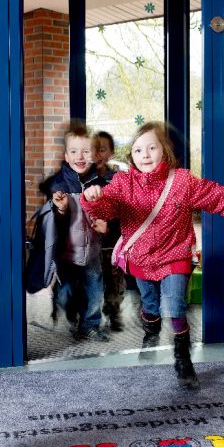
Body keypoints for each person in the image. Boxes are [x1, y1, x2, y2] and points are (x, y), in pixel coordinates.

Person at [82, 121, 224, 389]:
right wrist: (92, 198)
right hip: (141, 258)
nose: (145, 155)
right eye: (138, 150)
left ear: (164, 151)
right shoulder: (123, 183)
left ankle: (182, 357)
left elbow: (217, 196)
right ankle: (151, 331)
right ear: (131, 156)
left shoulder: (182, 182)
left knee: (174, 305)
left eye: (151, 148)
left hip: (175, 255)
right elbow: (106, 208)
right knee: (151, 305)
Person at [38, 123, 109, 343]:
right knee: (66, 292)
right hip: (66, 252)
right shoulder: (58, 184)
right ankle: (69, 318)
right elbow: (52, 223)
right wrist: (60, 208)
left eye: (86, 151)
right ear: (66, 156)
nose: (80, 156)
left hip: (92, 250)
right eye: (74, 151)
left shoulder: (101, 183)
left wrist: (104, 220)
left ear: (95, 155)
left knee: (95, 288)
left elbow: (107, 214)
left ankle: (90, 325)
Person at [91, 130, 125, 332]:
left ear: (111, 153)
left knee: (114, 280)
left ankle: (113, 312)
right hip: (91, 242)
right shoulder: (83, 178)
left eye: (102, 149)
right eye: (93, 149)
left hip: (113, 240)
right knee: (92, 280)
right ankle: (88, 317)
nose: (97, 154)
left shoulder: (118, 179)